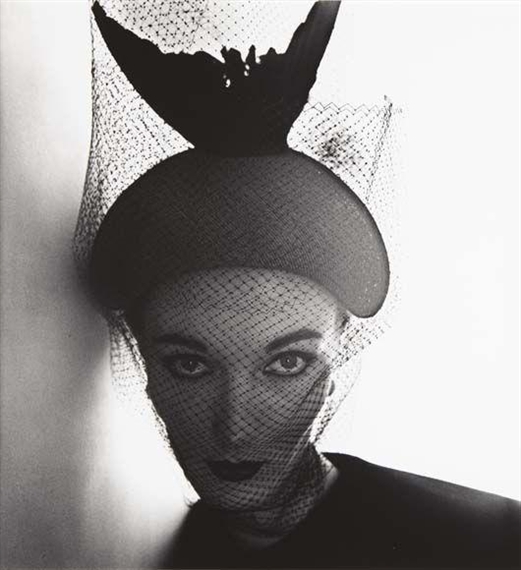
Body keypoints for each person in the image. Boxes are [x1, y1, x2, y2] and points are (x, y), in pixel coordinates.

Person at [78, 1, 521, 567]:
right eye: (189, 364)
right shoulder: (164, 554)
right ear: (144, 367)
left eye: (287, 363)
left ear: (337, 361)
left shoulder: (488, 544)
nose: (235, 428)